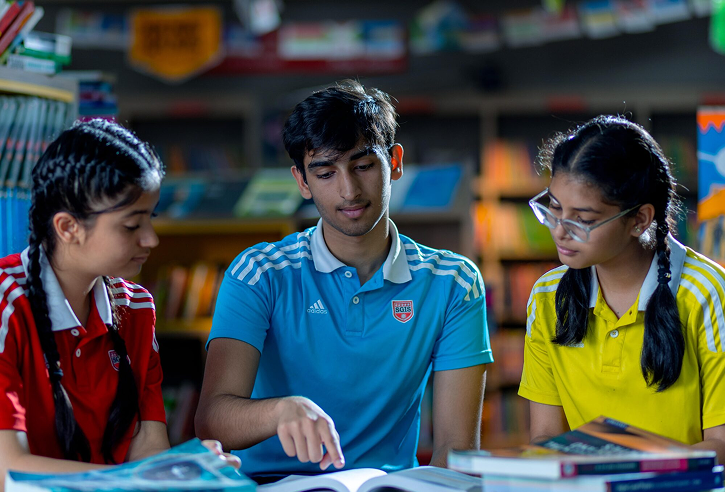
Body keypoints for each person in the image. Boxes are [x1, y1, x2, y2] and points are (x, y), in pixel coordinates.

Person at [195, 80, 493, 479]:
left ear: (395, 162)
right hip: (270, 486)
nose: (348, 190)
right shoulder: (259, 274)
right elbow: (211, 420)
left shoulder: (454, 282)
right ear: (302, 182)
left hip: (388, 487)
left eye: (363, 165)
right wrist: (281, 410)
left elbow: (456, 450)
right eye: (324, 173)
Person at [0, 120, 237, 492]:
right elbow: (7, 477)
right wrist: (147, 479)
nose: (151, 239)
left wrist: (188, 472)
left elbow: (147, 448)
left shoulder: (136, 307)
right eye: (131, 225)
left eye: (150, 218)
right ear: (68, 227)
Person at [519, 115, 725, 463]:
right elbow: (546, 439)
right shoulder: (547, 298)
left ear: (640, 219)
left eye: (583, 220)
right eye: (553, 208)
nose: (559, 231)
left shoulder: (705, 293)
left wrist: (631, 475)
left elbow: (720, 446)